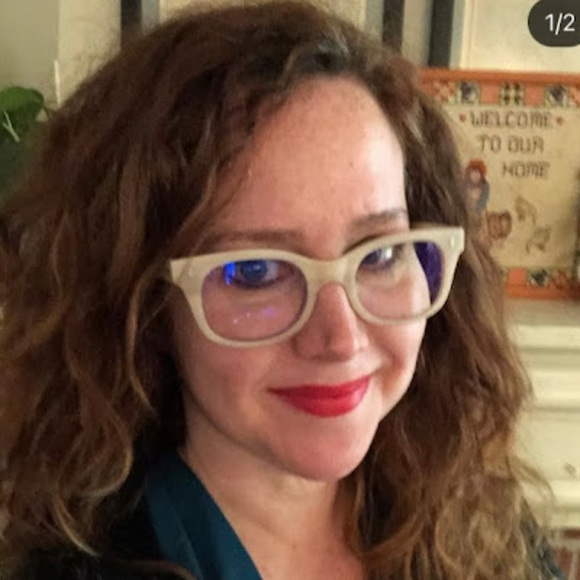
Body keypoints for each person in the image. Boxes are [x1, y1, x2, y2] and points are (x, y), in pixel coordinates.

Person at [0, 2, 565, 579]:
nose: (341, 338)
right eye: (254, 272)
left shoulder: (483, 527)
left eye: (380, 253)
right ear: (147, 306)